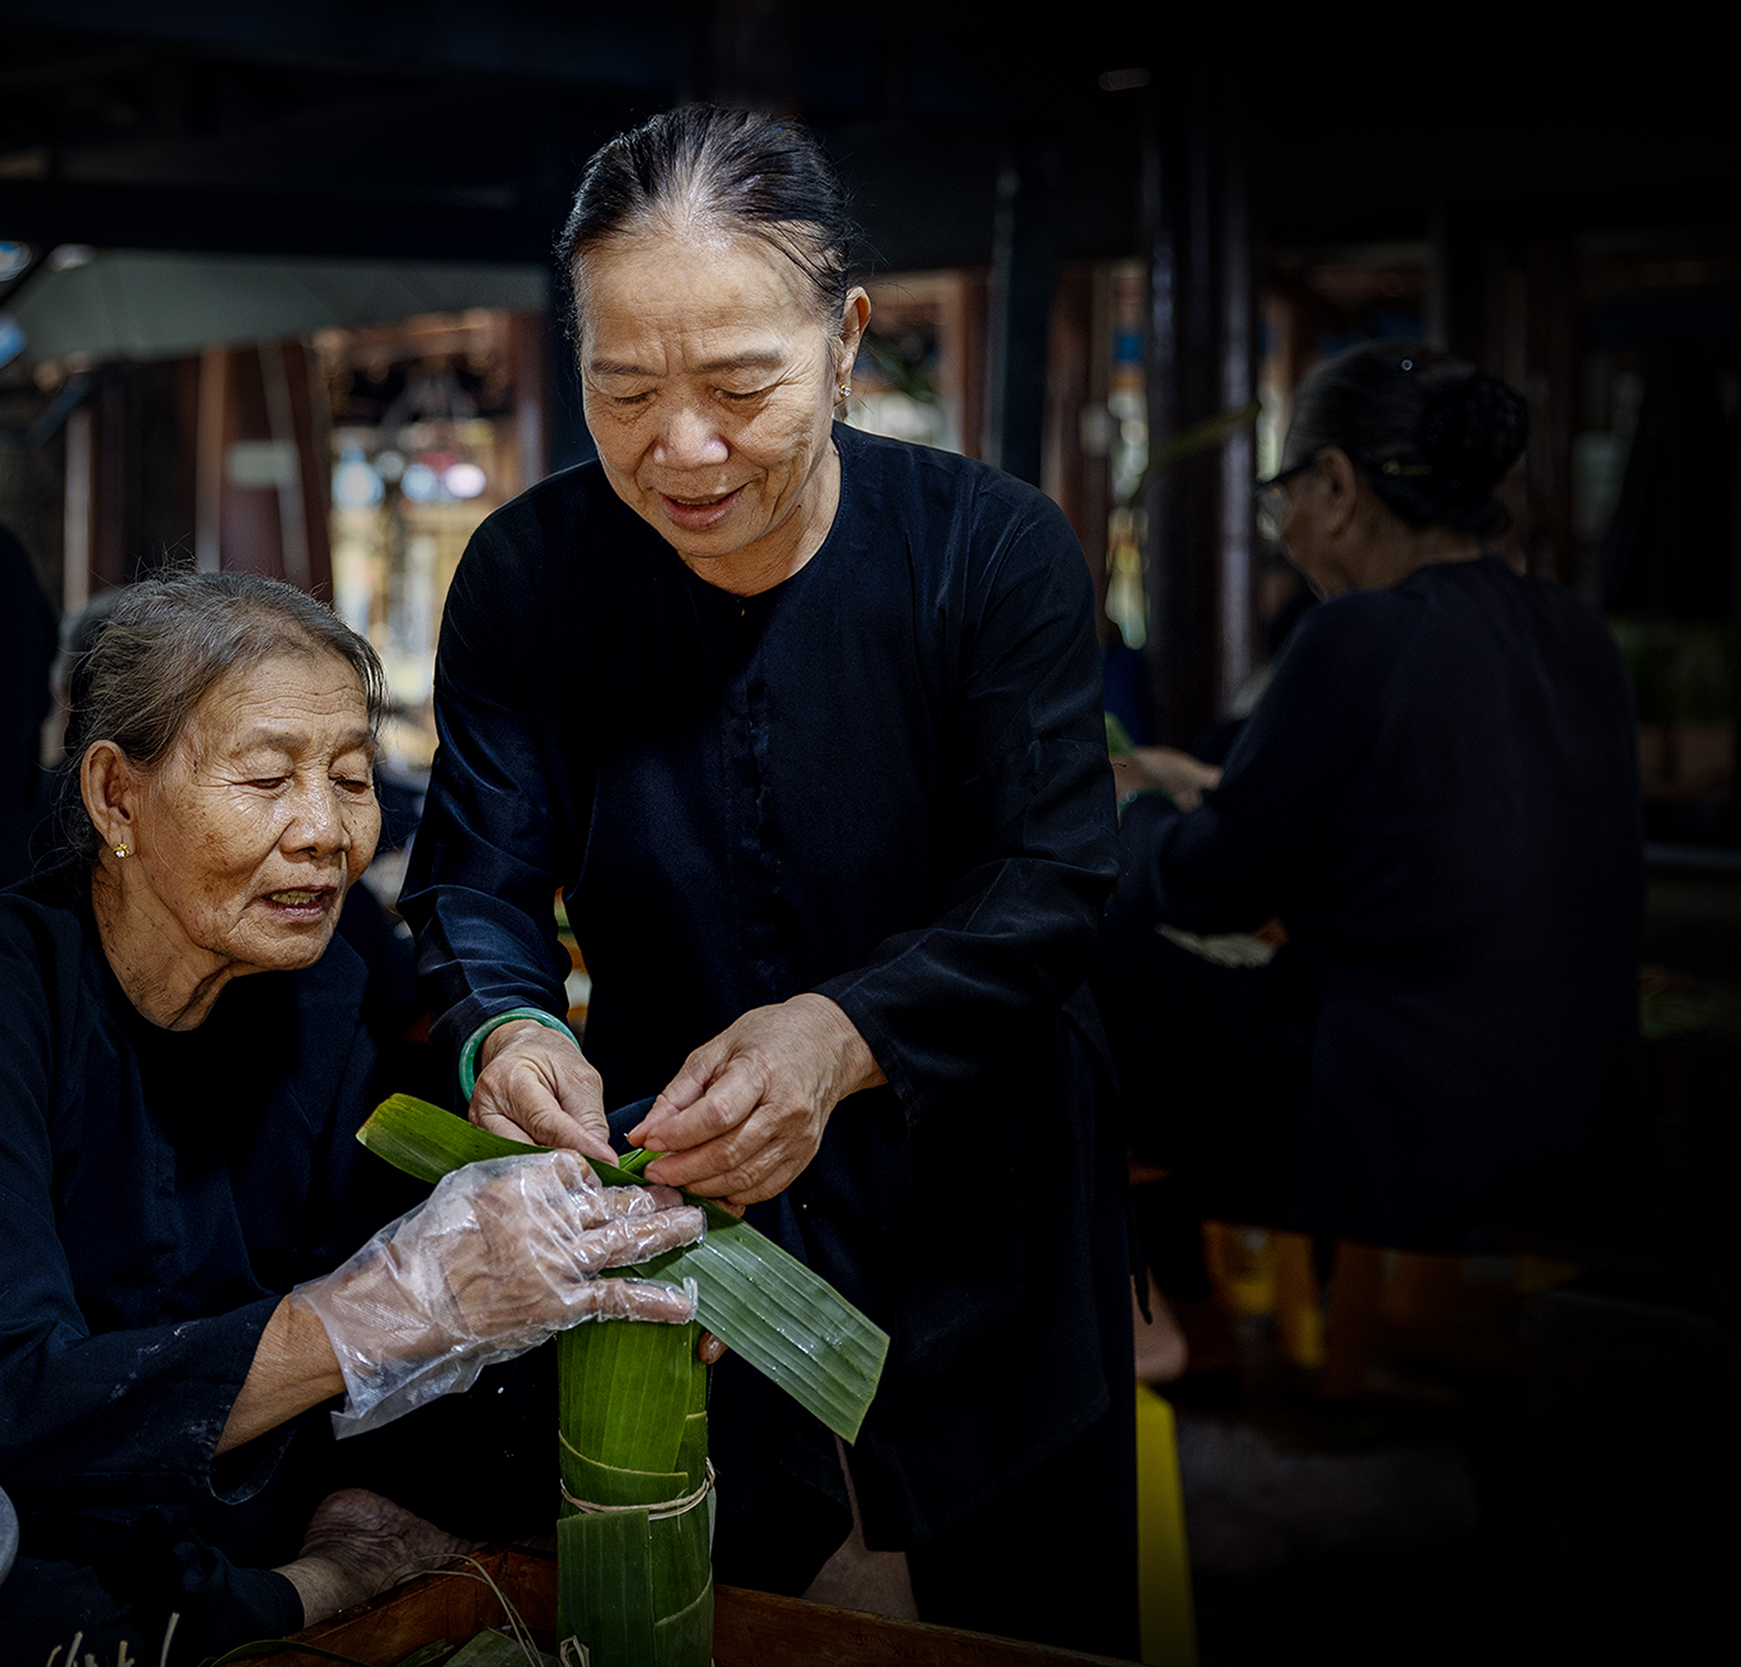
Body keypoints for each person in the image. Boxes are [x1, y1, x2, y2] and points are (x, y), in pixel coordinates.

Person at [398, 107, 1136, 1654]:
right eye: (624, 388)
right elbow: (471, 881)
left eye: (743, 385)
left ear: (847, 336)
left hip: (981, 1183)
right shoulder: (531, 577)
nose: (684, 448)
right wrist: (510, 1031)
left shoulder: (988, 554)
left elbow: (1059, 878)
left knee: (1012, 1610)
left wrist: (843, 1033)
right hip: (704, 1206)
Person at [0, 572, 706, 1663]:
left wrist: (600, 1245)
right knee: (48, 1620)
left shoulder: (317, 987)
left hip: (186, 1477)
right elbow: (7, 1398)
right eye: (265, 778)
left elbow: (352, 1269)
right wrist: (362, 1316)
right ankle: (310, 1589)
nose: (327, 832)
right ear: (116, 797)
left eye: (350, 778)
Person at [1098, 343, 1643, 1292]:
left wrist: (1128, 805)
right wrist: (1212, 792)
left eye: (1287, 499)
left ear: (1338, 485)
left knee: (1073, 954)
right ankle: (1181, 1319)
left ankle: (1151, 1316)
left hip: (1404, 1123)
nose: (1289, 527)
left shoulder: (1363, 629)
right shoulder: (1575, 632)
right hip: (1577, 1112)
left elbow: (1207, 882)